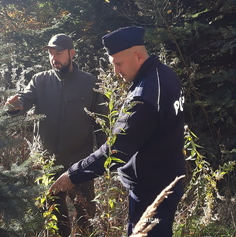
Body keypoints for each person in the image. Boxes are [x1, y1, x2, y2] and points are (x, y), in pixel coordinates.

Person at [49, 26, 185, 237]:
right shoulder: (166, 75)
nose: (116, 71)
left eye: (119, 64)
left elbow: (116, 150)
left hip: (151, 189)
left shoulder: (144, 96)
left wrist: (73, 175)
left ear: (138, 56)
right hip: (168, 177)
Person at [5, 34, 107, 236]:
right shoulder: (40, 80)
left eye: (58, 53)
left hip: (81, 164)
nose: (54, 58)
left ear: (72, 53)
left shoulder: (89, 82)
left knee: (86, 220)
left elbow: (101, 123)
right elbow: (25, 99)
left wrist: (105, 159)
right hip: (49, 163)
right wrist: (15, 106)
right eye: (51, 54)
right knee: (57, 223)